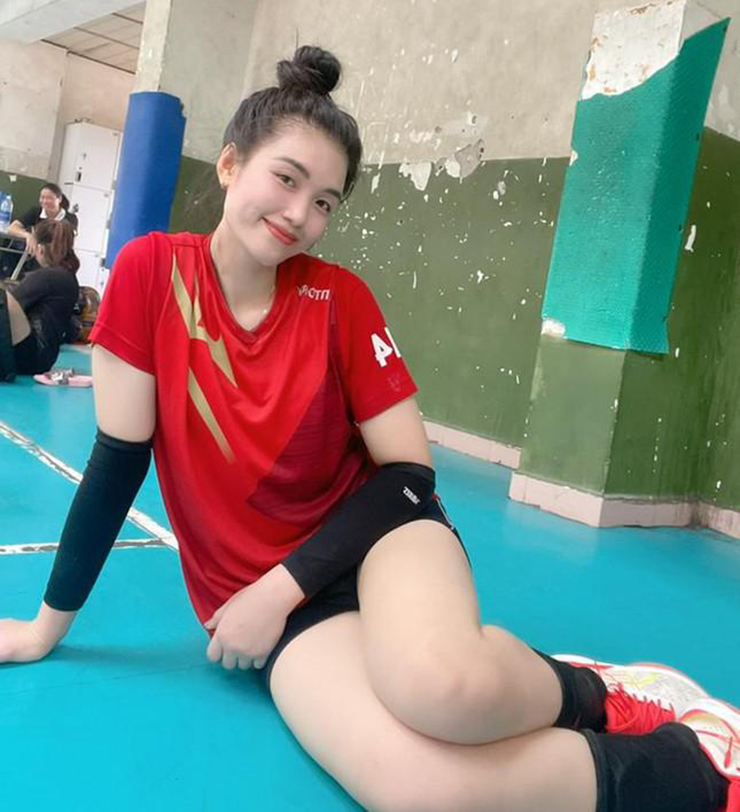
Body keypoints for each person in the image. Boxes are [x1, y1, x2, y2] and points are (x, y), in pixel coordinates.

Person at [0, 46, 737, 812]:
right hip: (266, 600)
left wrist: (278, 590)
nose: (300, 215)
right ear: (230, 164)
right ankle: (691, 768)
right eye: (287, 179)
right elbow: (117, 463)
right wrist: (46, 628)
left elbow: (410, 476)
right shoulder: (150, 273)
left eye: (325, 201)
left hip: (380, 539)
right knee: (419, 789)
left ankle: (597, 693)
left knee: (442, 690)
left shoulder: (339, 300)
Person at [0, 219, 79, 381]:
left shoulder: (48, 276)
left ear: (40, 248)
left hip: (31, 355)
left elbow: (9, 304)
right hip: (43, 358)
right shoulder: (66, 276)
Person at [5, 182, 79, 261]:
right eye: (42, 197)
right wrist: (28, 235)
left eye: (49, 198)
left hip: (58, 259)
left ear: (59, 199)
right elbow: (11, 228)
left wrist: (38, 238)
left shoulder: (70, 218)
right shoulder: (35, 212)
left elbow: (66, 239)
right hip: (35, 258)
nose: (45, 201)